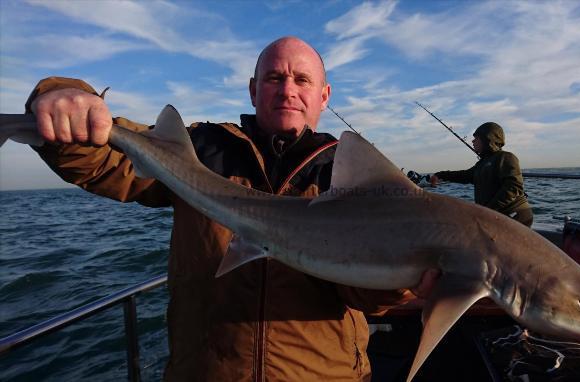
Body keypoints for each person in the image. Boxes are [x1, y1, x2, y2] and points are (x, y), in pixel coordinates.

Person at [27, 36, 438, 381]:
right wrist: (65, 98)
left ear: (323, 95)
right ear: (253, 89)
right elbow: (104, 159)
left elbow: (362, 297)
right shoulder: (199, 150)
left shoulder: (350, 178)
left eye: (302, 79)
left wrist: (400, 275)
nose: (288, 90)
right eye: (274, 78)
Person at [429, 122, 533, 227]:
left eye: (476, 138)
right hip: (495, 215)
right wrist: (440, 175)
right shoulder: (482, 164)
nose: (473, 141)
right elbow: (464, 175)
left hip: (514, 215)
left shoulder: (506, 157)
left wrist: (486, 211)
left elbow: (513, 187)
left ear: (487, 139)